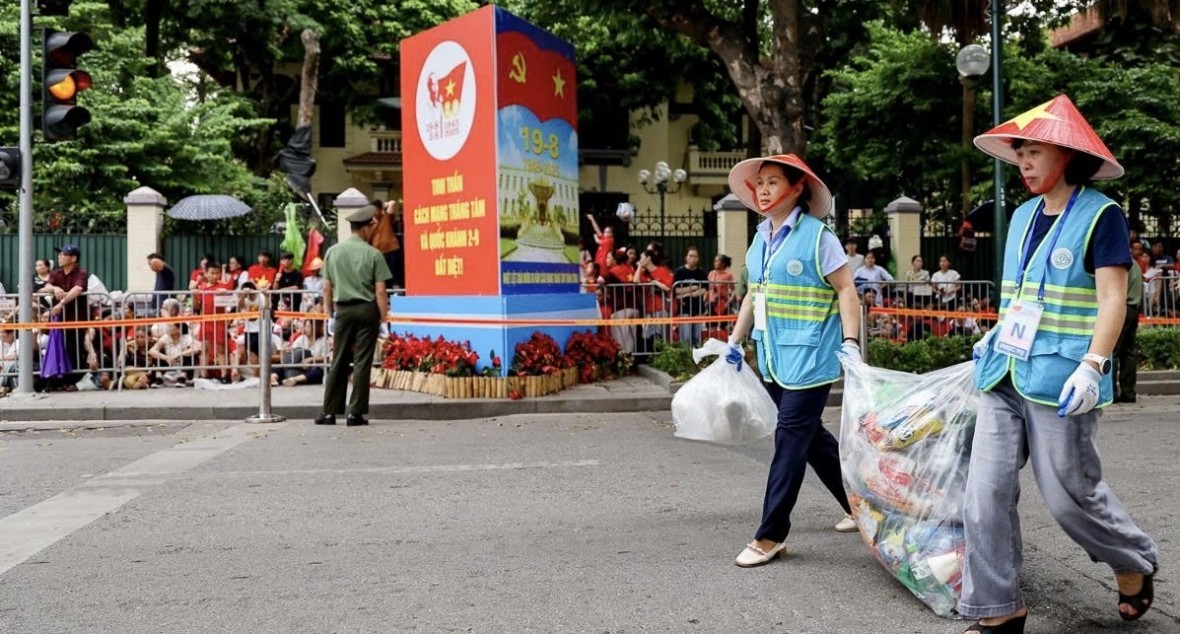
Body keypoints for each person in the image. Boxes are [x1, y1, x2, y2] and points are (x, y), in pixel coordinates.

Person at [965, 95, 1158, 633]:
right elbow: (1024, 296)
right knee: (984, 495)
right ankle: (999, 608)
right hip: (1003, 374)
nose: (1023, 163)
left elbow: (1113, 299)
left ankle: (1132, 560)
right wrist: (995, 334)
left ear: (1067, 155)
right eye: (1019, 153)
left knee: (1070, 497)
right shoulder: (1023, 215)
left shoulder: (1102, 214)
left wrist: (1094, 365)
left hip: (1060, 379)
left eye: (1033, 152)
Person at [723, 154, 862, 568]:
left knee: (789, 440)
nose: (763, 190)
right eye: (759, 183)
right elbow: (754, 293)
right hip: (772, 356)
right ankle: (860, 505)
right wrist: (734, 341)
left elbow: (846, 290)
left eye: (772, 182)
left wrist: (851, 342)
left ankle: (770, 535)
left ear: (797, 188)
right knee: (810, 438)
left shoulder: (819, 238)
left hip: (811, 358)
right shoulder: (761, 237)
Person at [316, 203, 391, 426]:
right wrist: (384, 320)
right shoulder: (374, 254)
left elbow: (327, 288)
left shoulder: (333, 252)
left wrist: (330, 315)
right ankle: (355, 413)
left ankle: (329, 412)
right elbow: (380, 291)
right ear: (367, 227)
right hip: (367, 311)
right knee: (362, 361)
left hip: (343, 311)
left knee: (338, 360)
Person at [42, 244, 89, 390]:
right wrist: (55, 288)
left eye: (63, 254)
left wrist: (61, 302)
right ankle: (59, 382)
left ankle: (72, 382)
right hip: (59, 320)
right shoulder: (56, 273)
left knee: (74, 350)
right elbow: (46, 287)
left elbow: (78, 289)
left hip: (75, 319)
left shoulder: (81, 273)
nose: (59, 257)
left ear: (73, 258)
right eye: (60, 254)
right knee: (58, 349)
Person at [1113, 256, 1142, 403]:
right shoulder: (1135, 264)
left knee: (1112, 351)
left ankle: (1110, 392)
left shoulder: (1121, 262)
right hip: (1133, 308)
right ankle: (1128, 393)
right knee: (1128, 353)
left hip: (1122, 309)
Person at [672, 246, 709, 347]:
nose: (693, 259)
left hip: (698, 308)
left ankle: (696, 358)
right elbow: (676, 290)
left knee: (696, 336)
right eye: (691, 256)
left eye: (695, 256)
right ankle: (686, 358)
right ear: (686, 257)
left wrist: (686, 293)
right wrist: (692, 288)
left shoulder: (701, 273)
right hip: (684, 308)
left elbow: (704, 289)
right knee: (686, 336)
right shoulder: (679, 272)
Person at [368, 199, 404, 289]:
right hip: (378, 254)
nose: (374, 212)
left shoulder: (386, 217)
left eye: (376, 210)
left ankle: (397, 295)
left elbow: (393, 203)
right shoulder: (369, 224)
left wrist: (384, 204)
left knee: (395, 276)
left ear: (380, 210)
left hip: (392, 251)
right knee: (381, 278)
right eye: (372, 210)